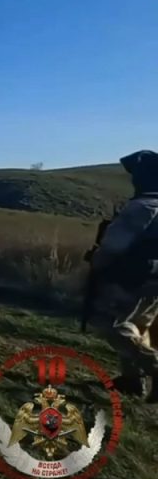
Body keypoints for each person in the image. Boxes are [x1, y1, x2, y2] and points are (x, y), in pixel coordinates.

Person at [88, 150, 158, 401]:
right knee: (139, 325)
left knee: (113, 324)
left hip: (132, 277)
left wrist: (98, 266)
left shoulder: (142, 207)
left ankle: (152, 367)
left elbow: (112, 246)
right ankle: (132, 382)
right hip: (153, 281)